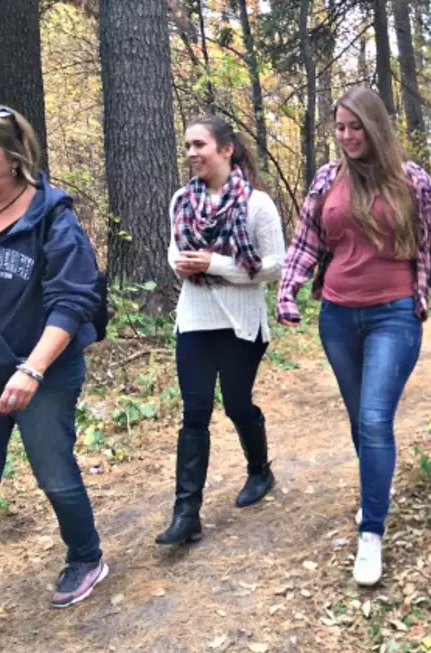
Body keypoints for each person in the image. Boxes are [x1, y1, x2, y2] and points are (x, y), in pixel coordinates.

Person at [277, 87, 431, 586]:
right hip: (338, 317)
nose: (346, 136)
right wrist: (289, 290)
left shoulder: (413, 181)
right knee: (361, 421)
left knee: (376, 418)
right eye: (339, 127)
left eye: (355, 127)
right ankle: (375, 490)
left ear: (375, 127)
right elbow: (306, 241)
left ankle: (372, 533)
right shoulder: (325, 180)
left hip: (395, 314)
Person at [0, 105, 107, 653]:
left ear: (13, 158)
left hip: (42, 374)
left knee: (55, 475)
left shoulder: (52, 220)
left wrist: (33, 368)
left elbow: (74, 300)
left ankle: (86, 555)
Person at [156, 116, 286, 546]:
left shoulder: (256, 205)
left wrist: (214, 265)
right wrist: (185, 264)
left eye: (200, 145)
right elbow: (175, 252)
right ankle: (186, 512)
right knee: (194, 411)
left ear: (226, 149)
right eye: (188, 145)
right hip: (194, 319)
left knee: (235, 404)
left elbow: (274, 266)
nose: (192, 153)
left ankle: (259, 470)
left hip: (241, 324)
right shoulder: (181, 200)